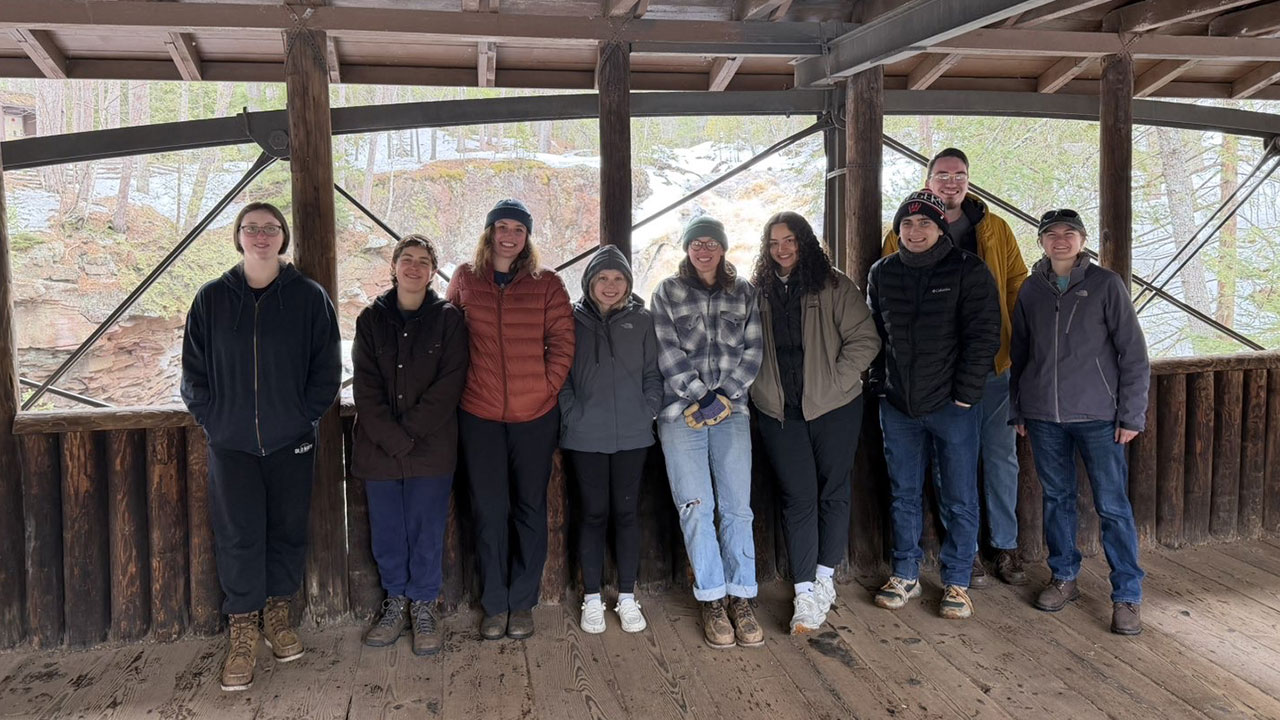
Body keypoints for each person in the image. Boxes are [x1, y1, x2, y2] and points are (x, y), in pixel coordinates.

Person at [180, 201, 341, 691]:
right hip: (231, 445)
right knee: (238, 533)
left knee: (288, 528)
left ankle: (278, 614)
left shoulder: (309, 298)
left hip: (291, 440)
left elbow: (327, 371)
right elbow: (193, 373)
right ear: (238, 237)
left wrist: (302, 419)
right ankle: (243, 628)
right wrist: (216, 422)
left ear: (283, 237)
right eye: (252, 228)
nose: (261, 236)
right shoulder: (211, 300)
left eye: (270, 229)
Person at [882, 148, 1028, 587]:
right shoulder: (904, 227)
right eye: (942, 175)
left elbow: (1018, 284)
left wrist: (1021, 348)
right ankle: (967, 556)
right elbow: (887, 293)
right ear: (928, 181)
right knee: (950, 466)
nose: (951, 182)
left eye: (959, 175)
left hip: (993, 364)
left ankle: (1004, 545)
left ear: (968, 180)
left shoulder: (994, 227)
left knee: (1000, 457)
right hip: (936, 376)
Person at [1009, 209, 1149, 636]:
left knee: (1112, 506)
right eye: (1051, 234)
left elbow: (1134, 354)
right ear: (1041, 243)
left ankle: (1127, 595)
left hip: (1099, 417)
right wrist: (1018, 408)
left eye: (1069, 233)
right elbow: (1020, 354)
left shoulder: (1106, 285)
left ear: (1083, 240)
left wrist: (1131, 414)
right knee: (1057, 499)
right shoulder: (1031, 289)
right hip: (1044, 416)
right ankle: (1064, 577)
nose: (1060, 240)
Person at [867, 190, 1000, 620]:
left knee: (958, 495)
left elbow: (984, 337)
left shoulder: (969, 270)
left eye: (925, 223)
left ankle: (957, 581)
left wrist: (965, 394)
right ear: (898, 229)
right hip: (899, 405)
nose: (915, 231)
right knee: (903, 493)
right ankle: (905, 572)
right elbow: (874, 336)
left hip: (953, 405)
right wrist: (879, 384)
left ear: (940, 227)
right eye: (907, 223)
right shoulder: (882, 272)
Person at [446, 198, 574, 641]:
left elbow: (562, 343)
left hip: (534, 416)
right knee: (487, 510)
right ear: (489, 231)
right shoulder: (465, 278)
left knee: (529, 509)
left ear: (527, 237)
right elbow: (448, 336)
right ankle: (494, 603)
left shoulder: (547, 284)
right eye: (501, 226)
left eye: (518, 229)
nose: (509, 236)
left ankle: (522, 602)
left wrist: (544, 388)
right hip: (478, 415)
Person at [749, 211, 880, 634]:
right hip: (778, 411)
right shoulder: (759, 292)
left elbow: (866, 340)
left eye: (789, 241)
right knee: (798, 496)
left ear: (804, 242)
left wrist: (836, 383)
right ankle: (804, 591)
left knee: (834, 491)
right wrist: (758, 390)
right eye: (773, 243)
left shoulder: (834, 285)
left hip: (834, 408)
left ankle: (825, 578)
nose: (781, 249)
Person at [352, 234, 469, 656]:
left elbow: (450, 383)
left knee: (426, 529)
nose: (414, 267)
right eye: (407, 259)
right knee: (387, 531)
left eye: (423, 261)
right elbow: (364, 387)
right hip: (379, 449)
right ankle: (394, 602)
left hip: (430, 448)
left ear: (433, 270)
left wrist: (409, 434)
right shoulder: (370, 319)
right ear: (395, 266)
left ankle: (423, 605)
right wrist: (391, 436)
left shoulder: (449, 320)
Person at [651, 214, 764, 649]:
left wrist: (726, 397)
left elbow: (754, 350)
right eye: (695, 243)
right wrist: (701, 396)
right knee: (696, 506)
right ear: (686, 249)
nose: (703, 250)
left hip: (733, 410)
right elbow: (666, 350)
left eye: (710, 243)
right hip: (682, 412)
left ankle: (741, 596)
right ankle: (712, 598)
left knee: (737, 508)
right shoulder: (667, 291)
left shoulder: (745, 293)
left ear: (723, 248)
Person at [560, 245, 662, 635]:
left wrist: (646, 408)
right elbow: (561, 376)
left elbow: (653, 374)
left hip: (633, 435)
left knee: (626, 514)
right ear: (589, 282)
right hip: (585, 435)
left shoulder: (643, 320)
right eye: (602, 278)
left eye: (618, 278)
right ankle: (590, 598)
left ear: (628, 284)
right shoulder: (571, 320)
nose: (610, 285)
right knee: (592, 514)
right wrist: (572, 414)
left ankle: (627, 596)